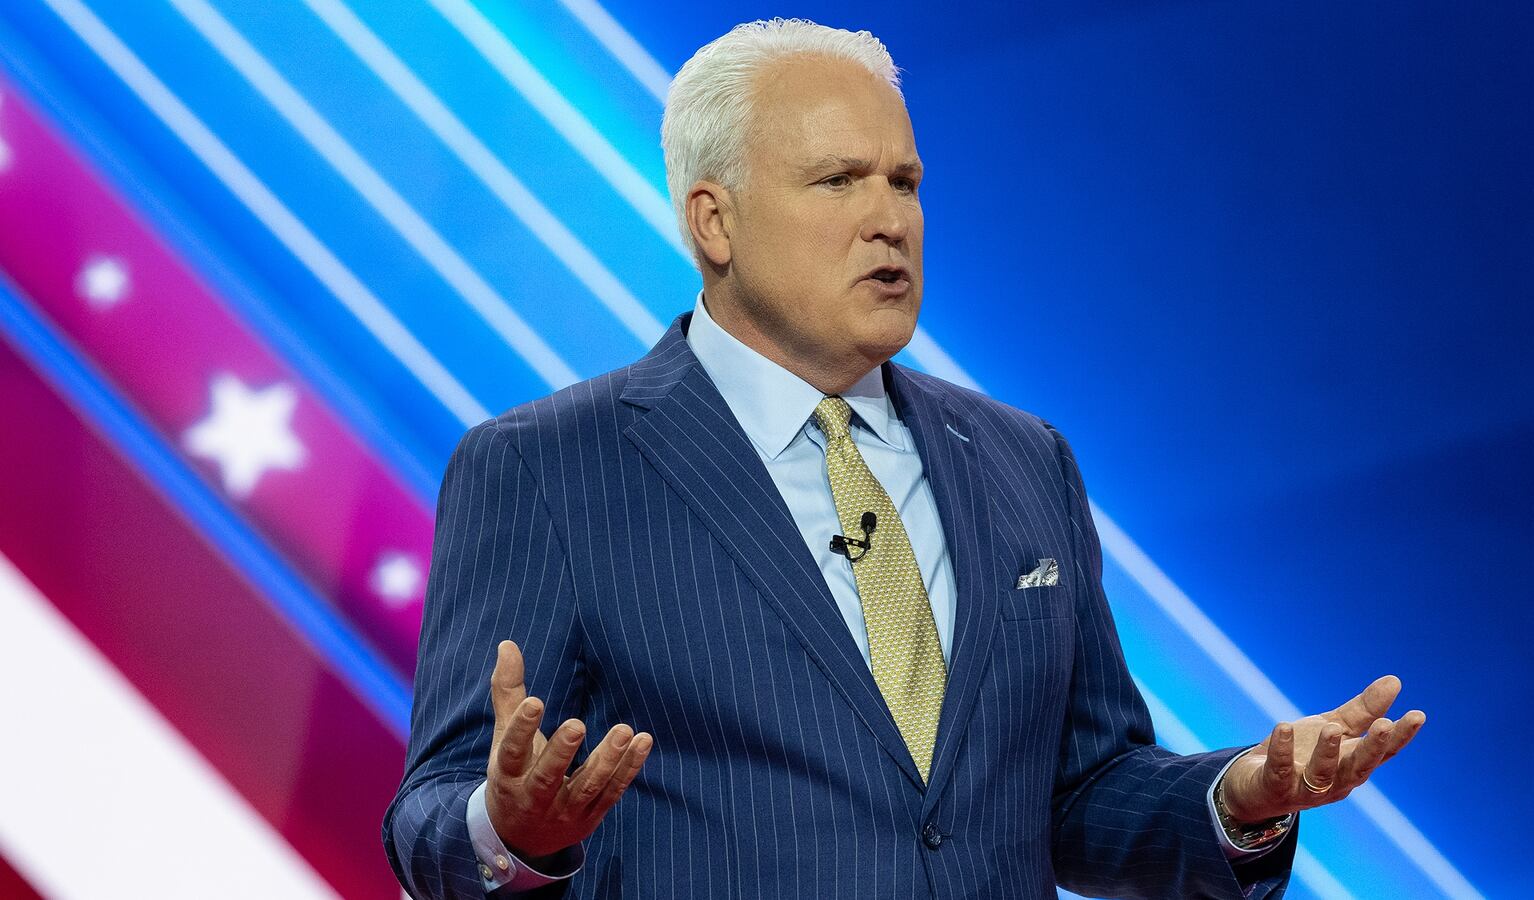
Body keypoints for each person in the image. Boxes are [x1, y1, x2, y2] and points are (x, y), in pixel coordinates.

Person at [383, 19, 1425, 900]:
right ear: (714, 220)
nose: (889, 220)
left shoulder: (1025, 459)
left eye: (904, 181)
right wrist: (510, 830)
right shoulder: (546, 468)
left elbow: (1079, 793)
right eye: (838, 181)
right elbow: (429, 821)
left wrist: (1237, 799)